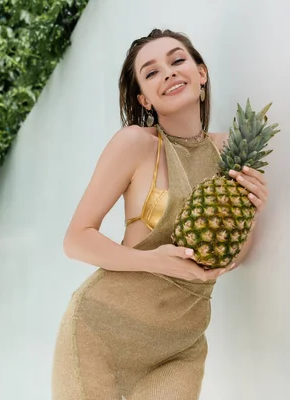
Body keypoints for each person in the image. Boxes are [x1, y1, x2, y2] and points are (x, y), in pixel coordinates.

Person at [51, 28, 269, 400]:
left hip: (179, 346)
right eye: (151, 72)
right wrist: (155, 261)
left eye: (177, 60)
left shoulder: (230, 153)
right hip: (102, 331)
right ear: (144, 99)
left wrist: (255, 209)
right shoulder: (135, 143)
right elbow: (76, 239)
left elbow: (233, 258)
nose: (168, 72)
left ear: (201, 73)